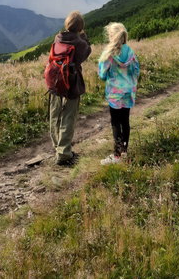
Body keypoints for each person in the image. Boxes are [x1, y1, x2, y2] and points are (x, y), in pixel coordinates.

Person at [49, 11, 91, 167]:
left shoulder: (58, 38)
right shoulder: (80, 43)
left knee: (55, 115)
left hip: (55, 82)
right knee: (68, 117)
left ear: (67, 24)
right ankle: (64, 154)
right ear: (80, 27)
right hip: (72, 84)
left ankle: (57, 146)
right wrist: (84, 38)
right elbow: (85, 54)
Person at [98, 22, 139, 165]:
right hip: (128, 92)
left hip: (115, 95)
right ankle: (124, 152)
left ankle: (116, 156)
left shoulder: (108, 54)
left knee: (116, 123)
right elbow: (136, 71)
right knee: (125, 122)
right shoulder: (131, 52)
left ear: (111, 36)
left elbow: (102, 75)